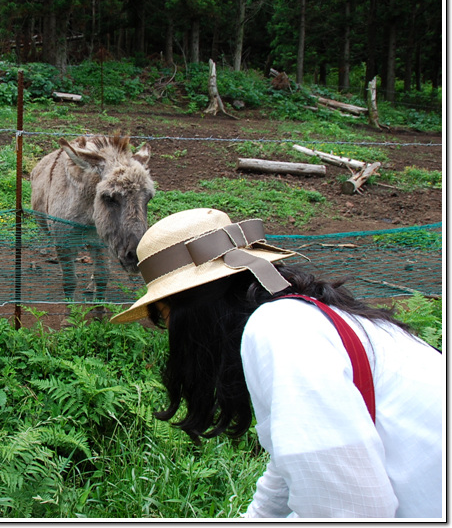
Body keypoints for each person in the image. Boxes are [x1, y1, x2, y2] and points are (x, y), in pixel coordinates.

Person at [110, 208, 443, 519]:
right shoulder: (301, 317)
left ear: (192, 313)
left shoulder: (279, 330)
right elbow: (297, 463)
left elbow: (350, 512)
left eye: (162, 317)